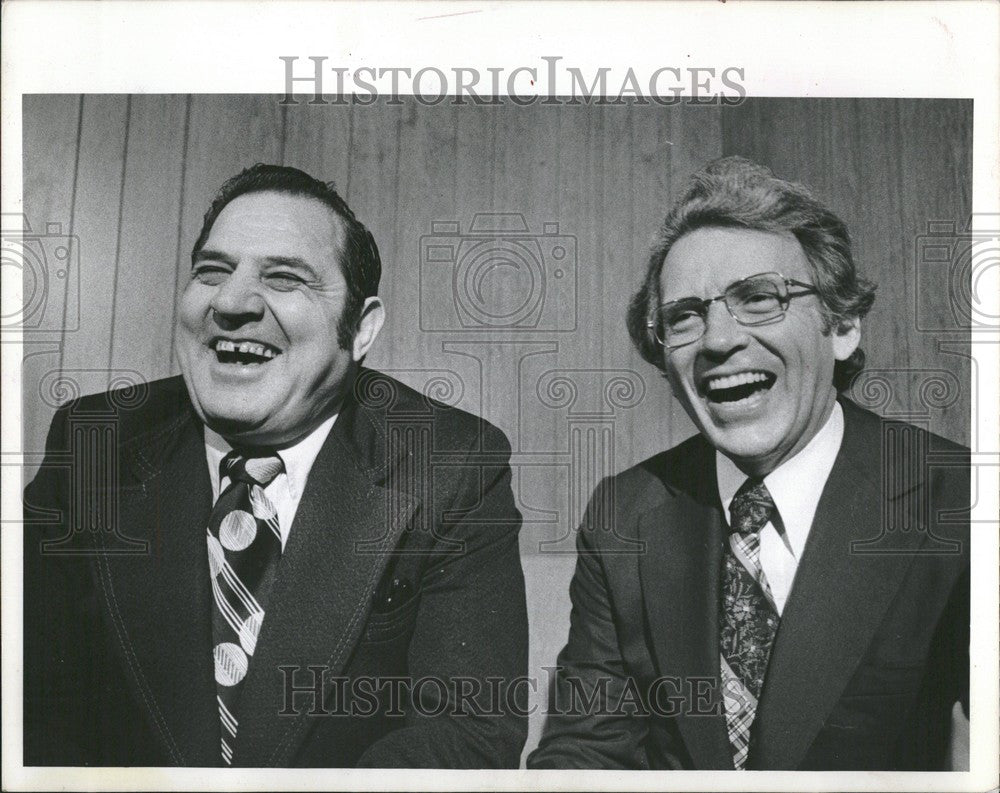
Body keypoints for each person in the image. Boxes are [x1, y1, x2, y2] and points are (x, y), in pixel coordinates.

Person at [23, 164, 528, 768]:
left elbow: (468, 732)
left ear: (361, 329)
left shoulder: (450, 463)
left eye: (286, 279)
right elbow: (32, 707)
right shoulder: (93, 445)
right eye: (212, 271)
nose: (231, 302)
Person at [528, 156, 969, 771]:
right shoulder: (625, 514)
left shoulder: (961, 500)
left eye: (759, 298)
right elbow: (585, 752)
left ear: (840, 326)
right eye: (685, 316)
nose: (717, 340)